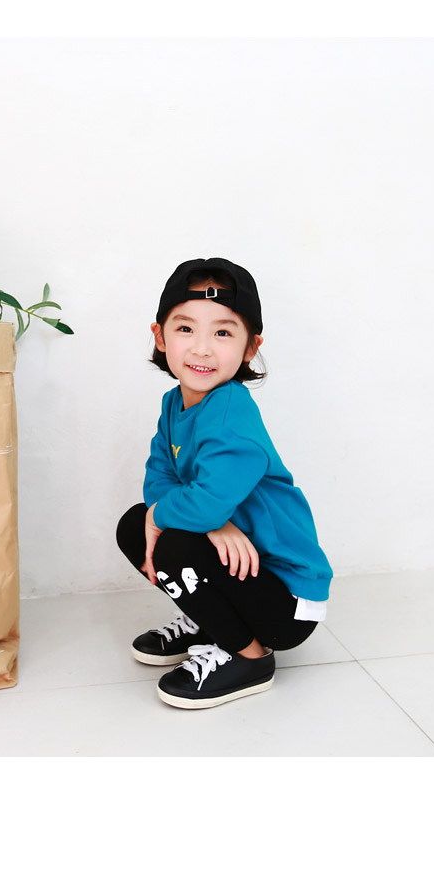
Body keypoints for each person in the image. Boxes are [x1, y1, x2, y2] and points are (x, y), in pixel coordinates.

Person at [116, 257, 332, 709]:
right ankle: (212, 623)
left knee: (173, 539)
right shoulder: (174, 404)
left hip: (286, 602)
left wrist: (203, 518)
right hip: (240, 571)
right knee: (137, 524)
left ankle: (250, 658)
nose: (202, 349)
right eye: (185, 328)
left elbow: (206, 502)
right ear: (160, 337)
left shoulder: (231, 413)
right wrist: (212, 524)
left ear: (250, 347)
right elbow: (158, 481)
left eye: (223, 333)